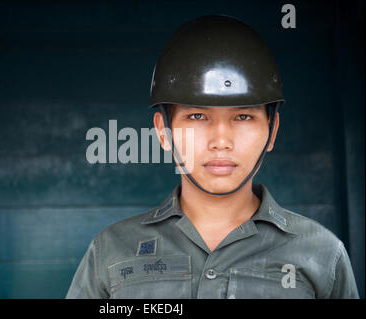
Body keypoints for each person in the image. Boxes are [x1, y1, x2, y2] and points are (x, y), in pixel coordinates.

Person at [66, 15, 359, 299]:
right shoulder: (111, 250)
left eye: (243, 116)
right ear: (163, 132)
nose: (221, 141)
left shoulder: (322, 254)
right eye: (197, 115)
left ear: (272, 130)